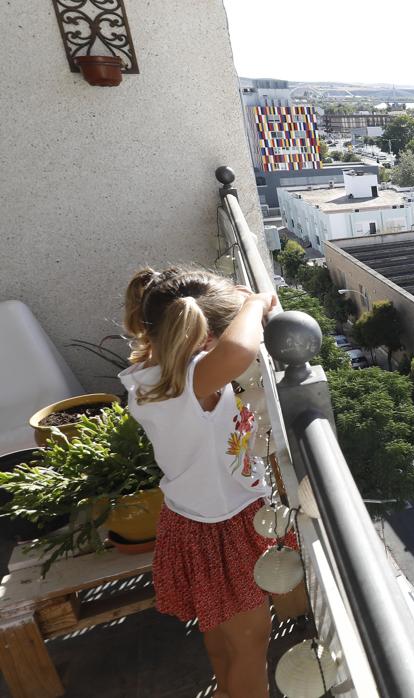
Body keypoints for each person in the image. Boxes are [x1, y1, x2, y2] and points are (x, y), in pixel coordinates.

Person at [118, 266, 281, 698]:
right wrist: (255, 302)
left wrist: (239, 308)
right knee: (251, 643)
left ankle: (226, 690)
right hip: (223, 526)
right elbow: (239, 351)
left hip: (190, 520)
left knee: (220, 628)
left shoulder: (149, 375)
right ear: (207, 341)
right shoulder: (193, 382)